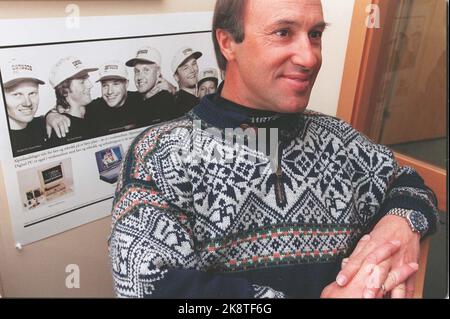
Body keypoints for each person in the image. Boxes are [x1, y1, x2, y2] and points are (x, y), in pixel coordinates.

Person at [108, 0, 439, 298]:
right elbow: (149, 285)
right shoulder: (160, 156)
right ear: (228, 43)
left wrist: (399, 226)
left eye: (315, 34)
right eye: (283, 32)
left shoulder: (339, 138)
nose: (309, 57)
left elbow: (408, 184)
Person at [47, 56, 98, 146]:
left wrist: (50, 114)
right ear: (65, 91)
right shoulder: (63, 128)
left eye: (87, 79)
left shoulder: (97, 108)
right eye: (82, 82)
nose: (90, 85)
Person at [2, 59, 47, 157]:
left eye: (32, 93)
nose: (27, 103)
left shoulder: (45, 124)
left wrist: (53, 114)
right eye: (17, 94)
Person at [86, 61, 142, 137]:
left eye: (115, 84)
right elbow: (75, 113)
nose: (109, 91)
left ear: (126, 84)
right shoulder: (93, 108)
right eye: (105, 85)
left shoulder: (140, 100)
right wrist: (64, 116)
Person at [126, 46, 178, 125]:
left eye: (146, 70)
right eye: (137, 71)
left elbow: (197, 127)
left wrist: (175, 93)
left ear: (158, 72)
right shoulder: (132, 99)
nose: (139, 77)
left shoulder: (169, 102)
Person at [171, 46, 202, 116]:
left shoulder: (196, 99)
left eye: (194, 64)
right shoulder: (184, 106)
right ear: (176, 77)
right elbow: (197, 127)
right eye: (185, 68)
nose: (192, 70)